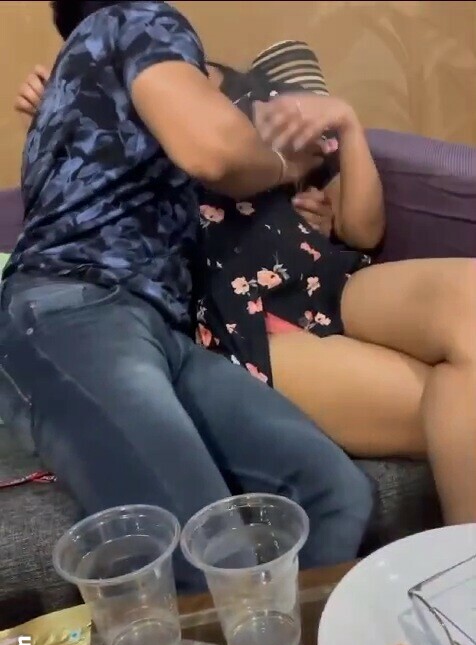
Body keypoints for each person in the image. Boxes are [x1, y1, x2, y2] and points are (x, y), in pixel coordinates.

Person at [16, 46, 476, 527]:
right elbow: (79, 232)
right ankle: (461, 566)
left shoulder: (261, 94)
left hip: (329, 278)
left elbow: (363, 231)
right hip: (244, 324)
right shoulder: (107, 111)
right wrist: (61, 122)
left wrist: (346, 122)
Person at [1, 0, 374, 593]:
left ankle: (292, 643)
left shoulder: (80, 83)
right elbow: (215, 152)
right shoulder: (138, 17)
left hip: (160, 325)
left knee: (333, 492)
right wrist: (284, 162)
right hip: (70, 311)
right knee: (208, 551)